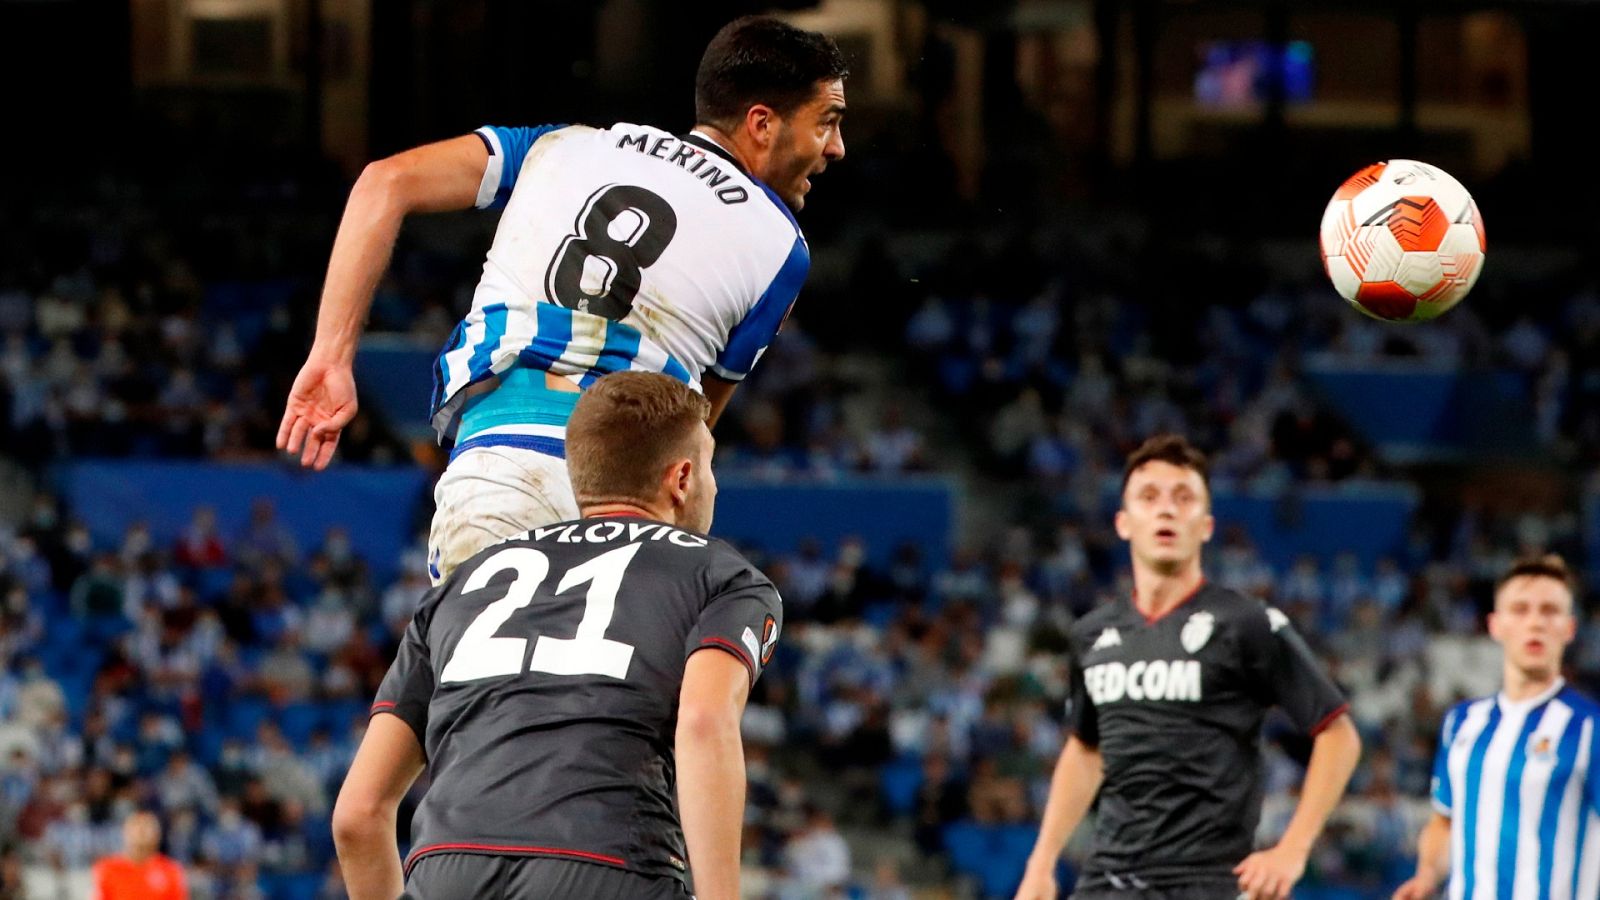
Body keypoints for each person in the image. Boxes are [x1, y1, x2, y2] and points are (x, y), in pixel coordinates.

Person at [278, 15, 848, 584]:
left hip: (501, 463)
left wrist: (330, 355)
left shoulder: (562, 146)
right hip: (628, 500)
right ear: (762, 124)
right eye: (826, 122)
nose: (837, 148)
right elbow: (695, 436)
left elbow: (385, 181)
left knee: (480, 674)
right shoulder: (781, 248)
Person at [332, 372, 781, 900]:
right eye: (709, 465)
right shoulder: (721, 576)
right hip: (607, 863)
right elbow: (704, 722)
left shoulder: (463, 584)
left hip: (447, 869)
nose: (715, 484)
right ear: (681, 478)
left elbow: (358, 815)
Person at [1016, 434, 1362, 900]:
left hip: (1208, 882)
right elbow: (1085, 751)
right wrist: (1041, 863)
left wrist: (1292, 850)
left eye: (1184, 498)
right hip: (1108, 881)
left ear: (1206, 525)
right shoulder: (1091, 635)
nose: (1167, 510)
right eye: (1149, 497)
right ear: (1123, 523)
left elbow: (1338, 736)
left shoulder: (1247, 623)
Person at [1392, 554, 1600, 900]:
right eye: (1520, 609)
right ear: (1495, 625)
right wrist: (1427, 876)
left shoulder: (1590, 728)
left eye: (1549, 611)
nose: (1535, 623)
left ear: (1569, 628)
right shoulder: (1461, 722)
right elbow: (1444, 821)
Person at [91, 810, 187, 900]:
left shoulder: (170, 870)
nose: (142, 831)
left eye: (147, 827)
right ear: (125, 832)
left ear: (158, 835)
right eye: (137, 826)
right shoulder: (107, 869)